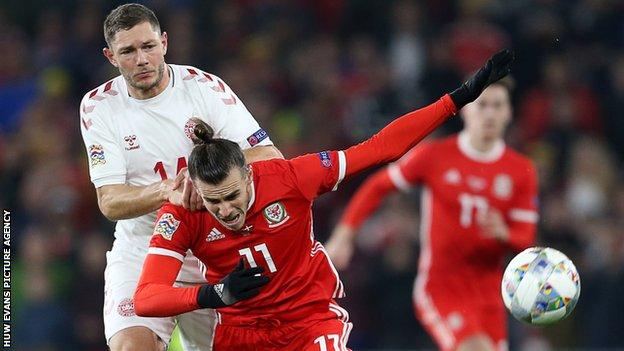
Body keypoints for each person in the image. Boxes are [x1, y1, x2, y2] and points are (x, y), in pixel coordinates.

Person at [132, 50, 515, 350]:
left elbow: (381, 148)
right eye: (214, 201)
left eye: (232, 195)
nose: (225, 210)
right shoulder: (183, 212)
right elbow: (147, 298)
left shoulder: (293, 177)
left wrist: (460, 97)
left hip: (307, 322)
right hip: (240, 335)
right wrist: (213, 294)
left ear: (249, 173)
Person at [79, 3, 282, 351]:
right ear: (110, 56)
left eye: (149, 46)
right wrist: (165, 190)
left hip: (214, 243)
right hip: (145, 244)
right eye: (128, 51)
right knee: (132, 345)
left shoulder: (203, 88)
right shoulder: (99, 107)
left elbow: (268, 156)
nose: (141, 59)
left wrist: (203, 176)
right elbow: (109, 201)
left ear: (165, 43)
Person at [325, 77, 538, 351]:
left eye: (498, 106)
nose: (490, 113)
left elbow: (525, 239)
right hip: (441, 287)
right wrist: (345, 234)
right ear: (467, 109)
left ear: (508, 113)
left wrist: (504, 234)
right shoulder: (434, 156)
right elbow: (378, 185)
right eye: (482, 104)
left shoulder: (520, 170)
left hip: (490, 293)